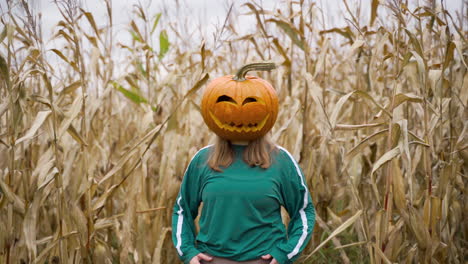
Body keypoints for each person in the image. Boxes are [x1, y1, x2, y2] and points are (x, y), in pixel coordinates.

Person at [172, 63, 316, 264]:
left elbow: (303, 211)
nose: (239, 111)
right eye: (226, 101)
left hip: (262, 260)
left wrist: (285, 252)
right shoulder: (202, 160)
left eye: (251, 103)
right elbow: (182, 210)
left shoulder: (281, 161)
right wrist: (187, 251)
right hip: (212, 259)